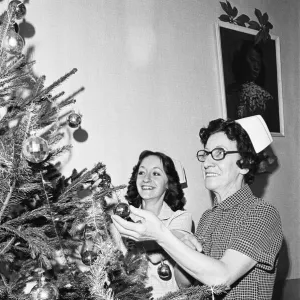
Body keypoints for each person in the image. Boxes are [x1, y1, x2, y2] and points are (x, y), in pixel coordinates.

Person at [112, 115, 283, 299]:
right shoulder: (207, 218)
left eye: (219, 153)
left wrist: (162, 235)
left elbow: (221, 278)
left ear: (245, 164)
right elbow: (183, 283)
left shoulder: (262, 213)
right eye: (206, 154)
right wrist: (183, 247)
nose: (207, 163)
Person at [124, 150, 193, 299]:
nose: (146, 179)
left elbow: (159, 252)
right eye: (141, 173)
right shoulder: (123, 218)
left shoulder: (181, 218)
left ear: (168, 183)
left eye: (155, 173)